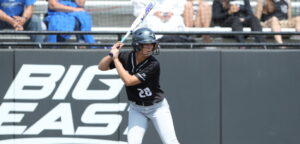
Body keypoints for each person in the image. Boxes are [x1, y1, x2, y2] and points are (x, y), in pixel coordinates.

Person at [98, 28, 180, 144]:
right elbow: (101, 67)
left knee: (171, 141)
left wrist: (116, 59)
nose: (150, 47)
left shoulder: (153, 64)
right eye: (145, 45)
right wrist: (111, 54)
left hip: (157, 107)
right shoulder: (126, 57)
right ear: (137, 45)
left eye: (151, 44)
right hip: (137, 109)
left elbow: (129, 81)